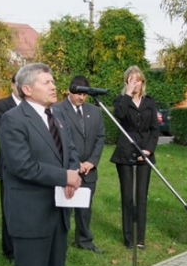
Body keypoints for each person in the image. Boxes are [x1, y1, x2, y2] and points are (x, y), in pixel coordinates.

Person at [0, 63, 85, 266]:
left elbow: (70, 150)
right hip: (30, 211)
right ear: (27, 89)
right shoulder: (13, 120)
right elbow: (22, 165)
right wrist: (64, 176)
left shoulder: (57, 115)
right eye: (46, 82)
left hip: (58, 209)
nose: (53, 86)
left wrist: (73, 172)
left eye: (53, 81)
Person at [53, 76, 105, 254]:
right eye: (78, 94)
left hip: (89, 170)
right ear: (69, 90)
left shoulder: (95, 111)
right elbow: (57, 140)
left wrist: (92, 161)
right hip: (67, 169)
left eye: (84, 94)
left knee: (85, 208)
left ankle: (84, 240)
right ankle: (60, 241)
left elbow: (100, 138)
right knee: (65, 208)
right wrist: (75, 164)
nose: (81, 97)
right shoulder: (57, 110)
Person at [110, 65, 160, 249]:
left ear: (143, 82)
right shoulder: (120, 100)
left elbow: (155, 129)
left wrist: (148, 150)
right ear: (126, 82)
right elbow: (119, 115)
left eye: (138, 80)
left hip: (144, 153)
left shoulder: (150, 102)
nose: (136, 84)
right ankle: (129, 238)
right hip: (125, 153)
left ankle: (140, 238)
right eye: (132, 80)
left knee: (141, 197)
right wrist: (128, 95)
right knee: (128, 196)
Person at [0, 73, 20, 262]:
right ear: (12, 85)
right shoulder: (0, 106)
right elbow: (5, 133)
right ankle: (10, 250)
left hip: (33, 165)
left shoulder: (35, 105)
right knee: (9, 209)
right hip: (8, 165)